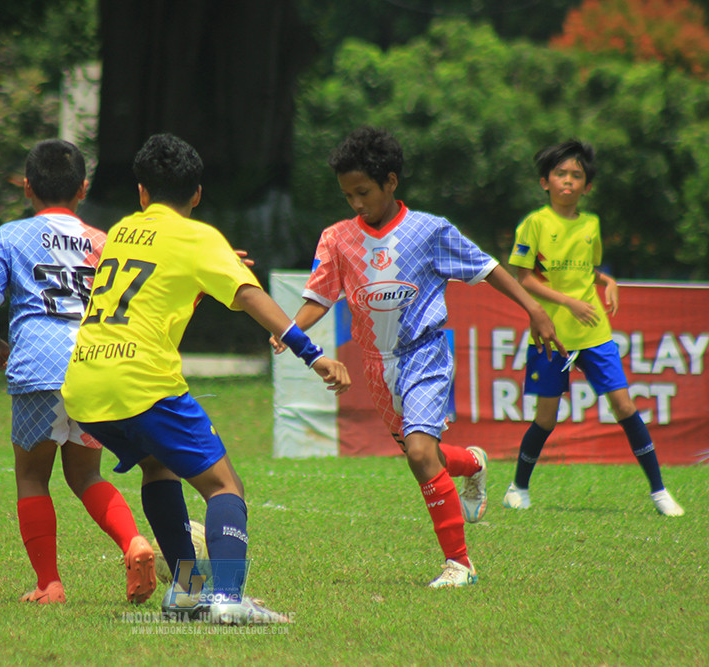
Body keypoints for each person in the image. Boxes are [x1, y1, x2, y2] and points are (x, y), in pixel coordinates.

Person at [62, 133, 351, 624]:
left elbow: (154, 289)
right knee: (224, 487)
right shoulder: (198, 238)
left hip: (85, 383)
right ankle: (228, 599)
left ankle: (187, 589)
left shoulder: (124, 232)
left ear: (141, 192)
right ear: (196, 195)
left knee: (159, 467)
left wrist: (206, 271)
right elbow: (248, 296)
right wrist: (313, 354)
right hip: (141, 383)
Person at [275, 126, 565, 588]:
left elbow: (487, 267)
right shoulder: (336, 238)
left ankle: (460, 565)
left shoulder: (429, 231)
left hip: (424, 353)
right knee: (422, 454)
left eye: (363, 192)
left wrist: (533, 309)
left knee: (418, 453)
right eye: (347, 194)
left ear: (391, 182)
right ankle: (471, 463)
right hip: (375, 364)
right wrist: (292, 328)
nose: (355, 203)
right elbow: (319, 296)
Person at [0, 139, 157, 606]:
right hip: (95, 364)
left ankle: (49, 583)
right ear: (83, 189)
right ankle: (134, 543)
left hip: (38, 361)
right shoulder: (102, 240)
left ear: (27, 186)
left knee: (32, 476)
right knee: (86, 475)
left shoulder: (10, 235)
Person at [503, 139, 684, 517]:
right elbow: (524, 279)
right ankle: (517, 487)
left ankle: (659, 492)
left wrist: (608, 282)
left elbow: (586, 270)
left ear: (586, 187)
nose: (568, 181)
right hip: (552, 334)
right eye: (560, 174)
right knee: (546, 419)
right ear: (545, 182)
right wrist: (568, 302)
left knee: (624, 406)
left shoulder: (591, 225)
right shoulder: (534, 224)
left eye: (577, 175)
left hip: (594, 334)